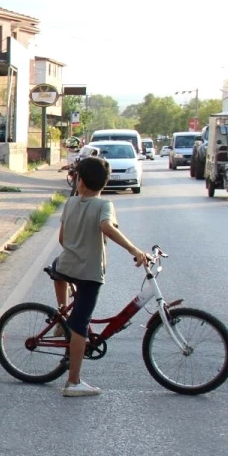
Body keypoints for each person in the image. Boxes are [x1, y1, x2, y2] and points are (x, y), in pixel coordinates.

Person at [50, 155, 148, 397]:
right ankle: (73, 382)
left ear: (79, 181)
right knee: (81, 326)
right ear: (104, 184)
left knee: (56, 268)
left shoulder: (70, 202)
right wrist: (134, 250)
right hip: (89, 273)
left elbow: (62, 239)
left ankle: (62, 312)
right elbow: (106, 227)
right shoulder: (104, 205)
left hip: (67, 265)